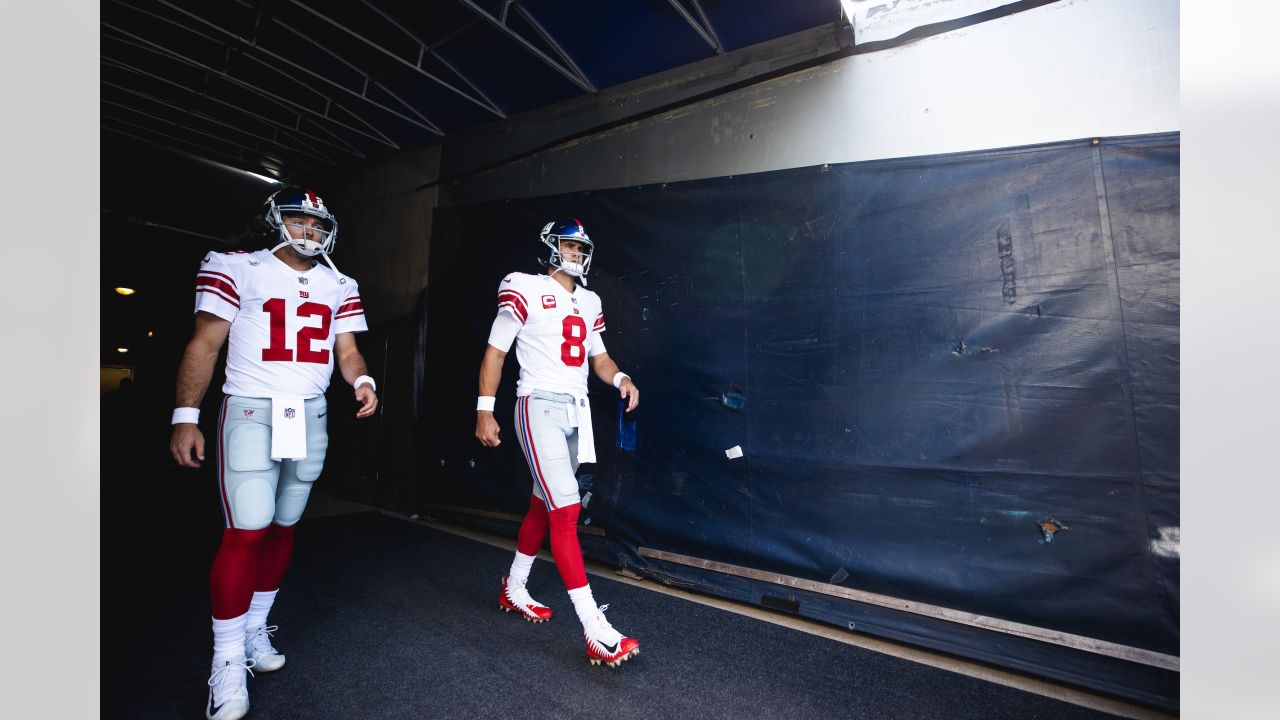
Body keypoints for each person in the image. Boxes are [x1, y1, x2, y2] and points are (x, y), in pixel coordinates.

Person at [169, 187, 378, 720]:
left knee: (285, 526)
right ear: (274, 221)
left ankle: (255, 627)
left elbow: (348, 351)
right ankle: (227, 659)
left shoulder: (341, 283)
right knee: (246, 531)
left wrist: (363, 380)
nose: (309, 231)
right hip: (251, 408)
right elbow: (205, 345)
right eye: (298, 220)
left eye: (316, 223)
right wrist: (186, 417)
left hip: (309, 412)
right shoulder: (238, 266)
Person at [475, 218, 641, 668]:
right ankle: (594, 629)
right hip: (537, 406)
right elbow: (496, 350)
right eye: (569, 246)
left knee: (541, 505)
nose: (577, 254)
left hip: (576, 411)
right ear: (550, 247)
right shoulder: (523, 285)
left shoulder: (589, 300)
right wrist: (484, 409)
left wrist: (621, 377)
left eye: (581, 248)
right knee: (566, 510)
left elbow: (599, 357)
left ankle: (514, 587)